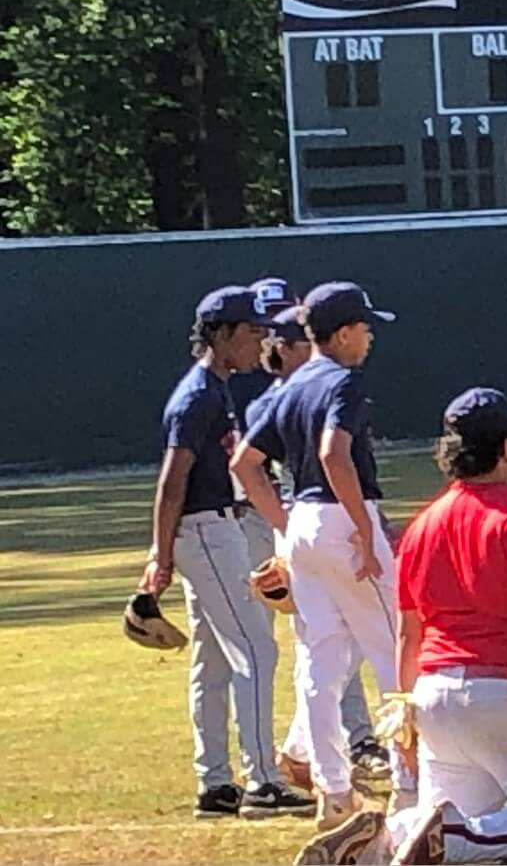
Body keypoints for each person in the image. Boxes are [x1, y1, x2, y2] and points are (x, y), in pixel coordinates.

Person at [295, 388, 507, 866]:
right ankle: (455, 840)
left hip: (435, 695)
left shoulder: (423, 526)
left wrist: (405, 714)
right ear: (506, 449)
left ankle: (389, 840)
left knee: (441, 815)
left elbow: (409, 632)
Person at [233, 281, 414, 832]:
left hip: (304, 522)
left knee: (322, 660)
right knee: (395, 649)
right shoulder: (342, 380)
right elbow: (336, 453)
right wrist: (363, 527)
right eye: (364, 326)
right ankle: (414, 785)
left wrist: (287, 530)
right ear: (341, 333)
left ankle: (333, 791)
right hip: (340, 521)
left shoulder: (292, 384)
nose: (370, 336)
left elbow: (245, 464)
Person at [142, 286, 311, 820]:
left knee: (213, 659)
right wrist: (159, 555)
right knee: (256, 650)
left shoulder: (216, 389)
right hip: (206, 529)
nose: (260, 339)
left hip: (213, 529)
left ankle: (215, 785)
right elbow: (172, 482)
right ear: (221, 334)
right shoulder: (197, 396)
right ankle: (262, 781)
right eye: (252, 330)